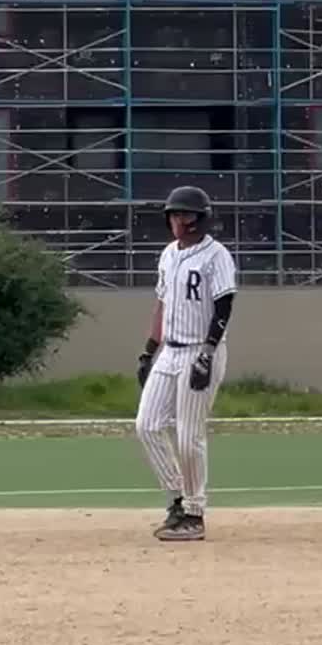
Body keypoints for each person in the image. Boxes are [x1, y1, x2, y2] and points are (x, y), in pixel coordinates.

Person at [135, 185, 236, 542]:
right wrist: (149, 350)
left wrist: (207, 353)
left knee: (189, 436)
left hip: (199, 349)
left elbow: (224, 306)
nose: (179, 219)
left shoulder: (216, 255)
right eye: (175, 214)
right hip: (171, 350)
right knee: (147, 425)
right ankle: (178, 497)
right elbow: (162, 305)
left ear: (200, 218)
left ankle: (194, 514)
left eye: (185, 214)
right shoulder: (168, 254)